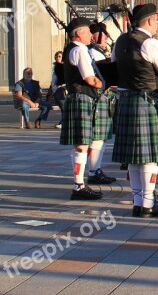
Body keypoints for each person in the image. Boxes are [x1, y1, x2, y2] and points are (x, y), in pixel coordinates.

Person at [112, 3, 158, 217]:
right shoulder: (152, 43)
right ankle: (148, 204)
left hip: (126, 99)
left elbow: (113, 67)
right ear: (148, 21)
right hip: (147, 101)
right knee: (149, 158)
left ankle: (138, 203)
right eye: (156, 20)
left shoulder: (119, 41)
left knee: (134, 158)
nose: (157, 24)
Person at [59, 17, 104, 200]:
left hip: (77, 98)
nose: (91, 35)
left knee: (80, 145)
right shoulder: (79, 50)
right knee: (82, 145)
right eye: (87, 31)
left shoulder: (73, 49)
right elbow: (90, 79)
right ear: (79, 33)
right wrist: (103, 84)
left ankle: (79, 184)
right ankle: (78, 186)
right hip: (82, 98)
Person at [84, 22, 117, 186]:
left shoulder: (96, 52)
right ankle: (93, 171)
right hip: (100, 97)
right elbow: (104, 76)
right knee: (98, 136)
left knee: (101, 137)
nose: (105, 38)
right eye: (103, 34)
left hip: (103, 97)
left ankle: (95, 169)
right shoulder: (94, 53)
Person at [51, 51, 66, 128]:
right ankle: (63, 123)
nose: (57, 58)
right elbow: (53, 85)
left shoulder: (67, 68)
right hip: (59, 93)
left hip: (67, 92)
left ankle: (63, 122)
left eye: (59, 56)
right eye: (56, 57)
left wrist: (64, 85)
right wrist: (57, 88)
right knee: (64, 106)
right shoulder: (56, 70)